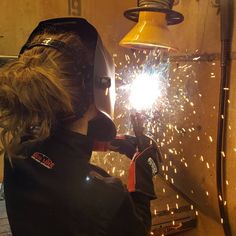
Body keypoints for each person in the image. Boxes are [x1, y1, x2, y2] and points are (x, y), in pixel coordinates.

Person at [0, 17, 159, 236]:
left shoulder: (17, 151)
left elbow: (57, 155)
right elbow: (139, 230)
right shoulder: (105, 196)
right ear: (97, 86)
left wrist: (107, 143)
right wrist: (143, 179)